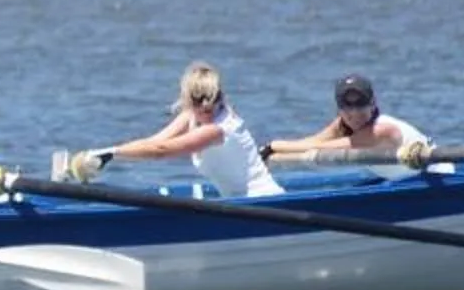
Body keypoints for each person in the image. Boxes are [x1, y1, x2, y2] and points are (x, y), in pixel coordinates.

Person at [69, 60, 283, 198]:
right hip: (241, 206)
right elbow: (155, 142)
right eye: (199, 99)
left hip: (266, 203)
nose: (207, 105)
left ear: (220, 96)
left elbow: (161, 152)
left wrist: (112, 154)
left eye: (212, 98)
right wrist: (104, 154)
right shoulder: (191, 116)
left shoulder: (218, 129)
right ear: (187, 100)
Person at [268, 73, 429, 163]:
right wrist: (268, 153)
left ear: (373, 104)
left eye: (361, 104)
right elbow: (312, 142)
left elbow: (320, 150)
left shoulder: (382, 130)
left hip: (437, 178)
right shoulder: (341, 124)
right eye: (347, 106)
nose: (354, 113)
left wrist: (274, 147)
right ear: (339, 109)